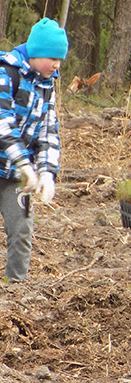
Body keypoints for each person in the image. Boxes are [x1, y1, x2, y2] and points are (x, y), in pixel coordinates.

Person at [0, 18, 66, 282]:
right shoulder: (7, 73)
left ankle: (16, 291)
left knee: (22, 231)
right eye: (53, 58)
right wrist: (25, 164)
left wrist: (47, 172)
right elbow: (3, 120)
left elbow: (49, 131)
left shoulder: (47, 85)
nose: (57, 65)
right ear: (37, 53)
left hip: (16, 176)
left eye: (60, 60)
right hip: (17, 166)